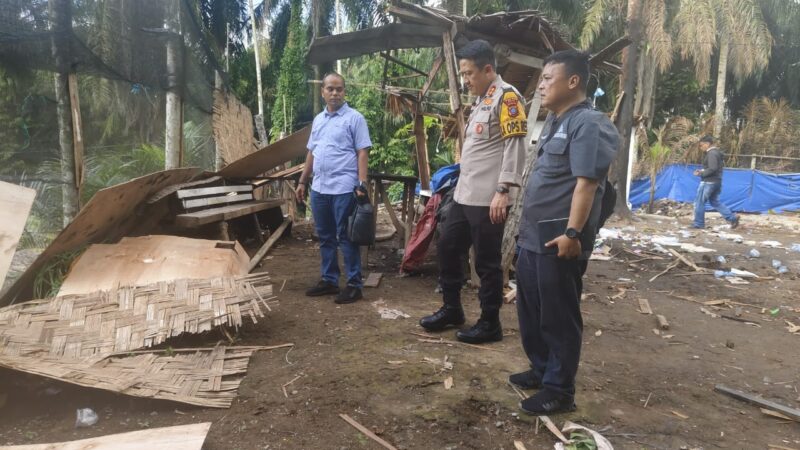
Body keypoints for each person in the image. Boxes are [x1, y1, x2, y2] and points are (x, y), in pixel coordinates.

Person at [509, 50, 619, 414]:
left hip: (560, 239)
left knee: (558, 317)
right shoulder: (557, 121)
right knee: (532, 311)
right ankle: (541, 370)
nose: (540, 85)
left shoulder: (588, 124)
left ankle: (560, 390)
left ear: (573, 82)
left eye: (547, 79)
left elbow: (586, 184)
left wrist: (573, 233)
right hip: (534, 237)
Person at [419, 39, 526, 344]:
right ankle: (452, 309)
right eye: (463, 74)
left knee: (487, 262)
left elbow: (514, 146)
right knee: (449, 246)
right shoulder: (482, 99)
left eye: (469, 74)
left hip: (489, 199)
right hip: (465, 195)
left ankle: (490, 322)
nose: (465, 80)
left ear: (488, 69)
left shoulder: (508, 98)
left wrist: (504, 190)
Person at [296, 73, 371, 304]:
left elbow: (362, 152)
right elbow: (312, 152)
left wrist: (361, 184)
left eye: (339, 89)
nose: (334, 93)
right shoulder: (318, 120)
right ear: (323, 92)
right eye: (330, 89)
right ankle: (329, 280)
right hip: (320, 188)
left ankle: (353, 284)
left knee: (346, 236)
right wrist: (302, 180)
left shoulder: (354, 118)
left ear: (344, 92)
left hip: (343, 187)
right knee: (326, 236)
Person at [692, 135, 740, 229]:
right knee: (714, 202)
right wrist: (702, 171)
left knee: (699, 202)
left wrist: (701, 174)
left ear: (707, 144)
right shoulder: (716, 153)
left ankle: (699, 223)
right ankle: (732, 218)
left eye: (701, 145)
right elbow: (714, 168)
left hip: (708, 182)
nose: (700, 147)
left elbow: (712, 168)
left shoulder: (711, 153)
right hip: (716, 181)